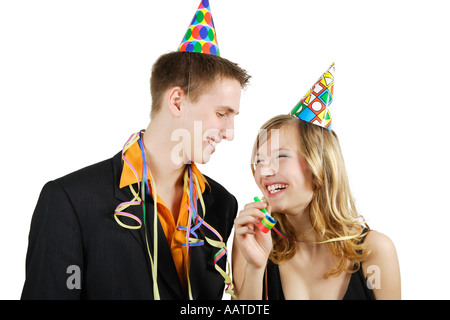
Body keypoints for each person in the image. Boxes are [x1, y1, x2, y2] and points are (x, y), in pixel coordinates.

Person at [22, 0, 250, 300]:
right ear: (177, 101)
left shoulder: (221, 205)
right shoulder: (71, 201)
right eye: (222, 114)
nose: (229, 133)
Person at [232, 64, 400, 300]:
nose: (264, 171)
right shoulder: (251, 241)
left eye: (280, 156)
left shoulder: (375, 251)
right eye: (259, 161)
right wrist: (256, 268)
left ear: (320, 165)